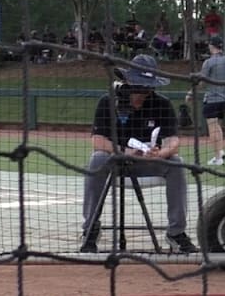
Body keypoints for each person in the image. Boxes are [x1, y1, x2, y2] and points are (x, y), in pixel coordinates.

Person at [80, 54, 199, 254]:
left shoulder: (162, 104)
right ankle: (90, 229)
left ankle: (176, 233)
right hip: (117, 161)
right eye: (138, 86)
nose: (142, 92)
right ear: (127, 81)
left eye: (147, 87)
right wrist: (126, 151)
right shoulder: (107, 101)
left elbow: (173, 141)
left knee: (177, 163)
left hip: (147, 162)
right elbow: (98, 141)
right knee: (97, 159)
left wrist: (161, 153)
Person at [186, 36, 225, 166]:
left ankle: (218, 156)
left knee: (212, 128)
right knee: (217, 127)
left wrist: (190, 93)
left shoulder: (209, 62)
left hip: (212, 99)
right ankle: (220, 151)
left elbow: (201, 81)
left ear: (212, 46)